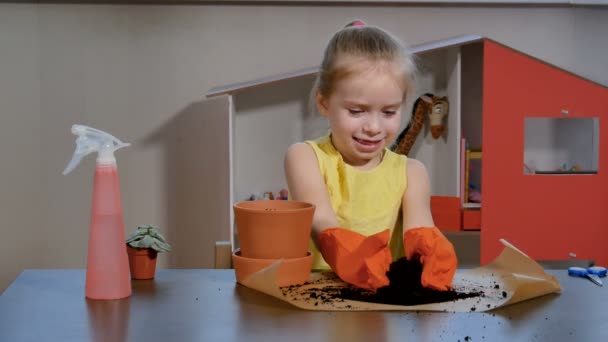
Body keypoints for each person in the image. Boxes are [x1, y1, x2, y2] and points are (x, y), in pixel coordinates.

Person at [284, 20, 457, 292]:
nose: (374, 127)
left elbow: (420, 229)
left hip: (383, 301)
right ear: (324, 103)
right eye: (356, 111)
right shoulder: (305, 157)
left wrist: (430, 253)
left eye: (389, 112)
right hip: (318, 296)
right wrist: (351, 255)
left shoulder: (412, 172)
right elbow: (322, 223)